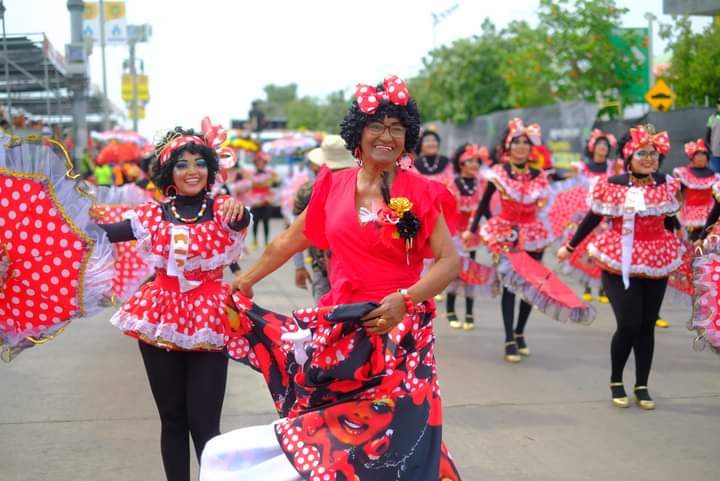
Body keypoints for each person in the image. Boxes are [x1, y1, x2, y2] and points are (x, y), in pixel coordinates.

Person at [200, 75, 462, 481]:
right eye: (377, 126)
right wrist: (246, 279)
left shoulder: (422, 192)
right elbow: (288, 240)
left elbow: (449, 262)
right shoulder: (332, 186)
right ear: (358, 134)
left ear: (407, 136)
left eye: (396, 128)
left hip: (401, 333)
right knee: (338, 434)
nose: (386, 136)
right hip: (341, 329)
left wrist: (406, 300)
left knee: (401, 432)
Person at [95, 124, 250, 481]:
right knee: (173, 419)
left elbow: (241, 218)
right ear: (169, 172)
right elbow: (107, 234)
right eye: (182, 164)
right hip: (160, 316)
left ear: (211, 168)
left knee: (206, 423)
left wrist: (237, 209)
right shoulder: (151, 215)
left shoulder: (223, 209)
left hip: (210, 318)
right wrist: (61, 224)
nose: (192, 171)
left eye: (199, 162)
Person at [558, 124, 684, 410]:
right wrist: (570, 247)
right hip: (618, 260)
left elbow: (668, 218)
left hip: (656, 259)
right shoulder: (612, 184)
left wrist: (681, 243)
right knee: (629, 323)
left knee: (647, 325)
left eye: (653, 153)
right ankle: (616, 380)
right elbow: (593, 218)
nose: (649, 158)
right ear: (628, 156)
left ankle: (642, 384)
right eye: (642, 153)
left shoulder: (666, 184)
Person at [464, 118, 552, 363]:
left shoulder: (539, 175)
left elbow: (544, 206)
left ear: (531, 147)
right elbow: (484, 203)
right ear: (508, 146)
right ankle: (509, 339)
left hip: (533, 234)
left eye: (525, 142)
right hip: (506, 233)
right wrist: (472, 228)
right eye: (516, 142)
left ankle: (520, 331)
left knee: (532, 286)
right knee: (511, 286)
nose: (521, 146)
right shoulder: (499, 173)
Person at [292, 135, 357, 303]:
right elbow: (294, 233)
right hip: (337, 267)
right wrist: (299, 266)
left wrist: (299, 266)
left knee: (325, 315)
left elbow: (292, 234)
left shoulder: (308, 190)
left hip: (339, 267)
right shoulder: (364, 187)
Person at [561, 129, 619, 304]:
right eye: (600, 144)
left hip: (607, 215)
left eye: (606, 145)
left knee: (603, 252)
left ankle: (602, 288)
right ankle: (586, 286)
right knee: (584, 250)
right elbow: (570, 184)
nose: (603, 147)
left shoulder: (613, 167)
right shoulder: (581, 168)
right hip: (586, 215)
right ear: (592, 147)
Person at [445, 143, 491, 330]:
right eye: (470, 161)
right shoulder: (452, 183)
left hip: (472, 233)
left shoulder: (482, 184)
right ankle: (450, 309)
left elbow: (485, 208)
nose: (474, 165)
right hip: (454, 233)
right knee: (454, 272)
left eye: (477, 161)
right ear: (460, 163)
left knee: (471, 271)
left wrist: (494, 226)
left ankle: (469, 311)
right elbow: (446, 210)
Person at [247, 151, 278, 248]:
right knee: (255, 222)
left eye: (262, 162)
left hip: (266, 201)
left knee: (266, 222)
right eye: (258, 162)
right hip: (255, 201)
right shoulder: (250, 174)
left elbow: (275, 183)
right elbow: (249, 185)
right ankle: (255, 241)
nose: (260, 164)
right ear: (255, 164)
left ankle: (266, 241)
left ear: (265, 163)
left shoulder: (270, 174)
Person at [706, 97, 720, 173]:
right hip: (715, 155)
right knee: (715, 176)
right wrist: (710, 150)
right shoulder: (712, 118)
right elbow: (707, 137)